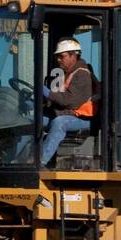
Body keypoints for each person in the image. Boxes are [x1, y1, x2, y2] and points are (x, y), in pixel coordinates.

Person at [41, 37, 96, 167]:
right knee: (35, 119)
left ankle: (41, 161)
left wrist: (47, 93)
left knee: (60, 122)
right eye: (57, 57)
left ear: (73, 56)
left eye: (62, 56)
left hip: (84, 118)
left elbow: (69, 101)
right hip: (71, 114)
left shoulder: (82, 74)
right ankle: (22, 159)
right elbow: (58, 100)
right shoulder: (67, 74)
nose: (59, 60)